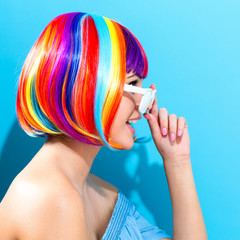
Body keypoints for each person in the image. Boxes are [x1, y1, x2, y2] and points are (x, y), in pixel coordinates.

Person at [0, 12, 207, 240]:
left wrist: (178, 162)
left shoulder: (97, 191)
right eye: (133, 84)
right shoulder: (48, 198)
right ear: (87, 89)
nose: (145, 104)